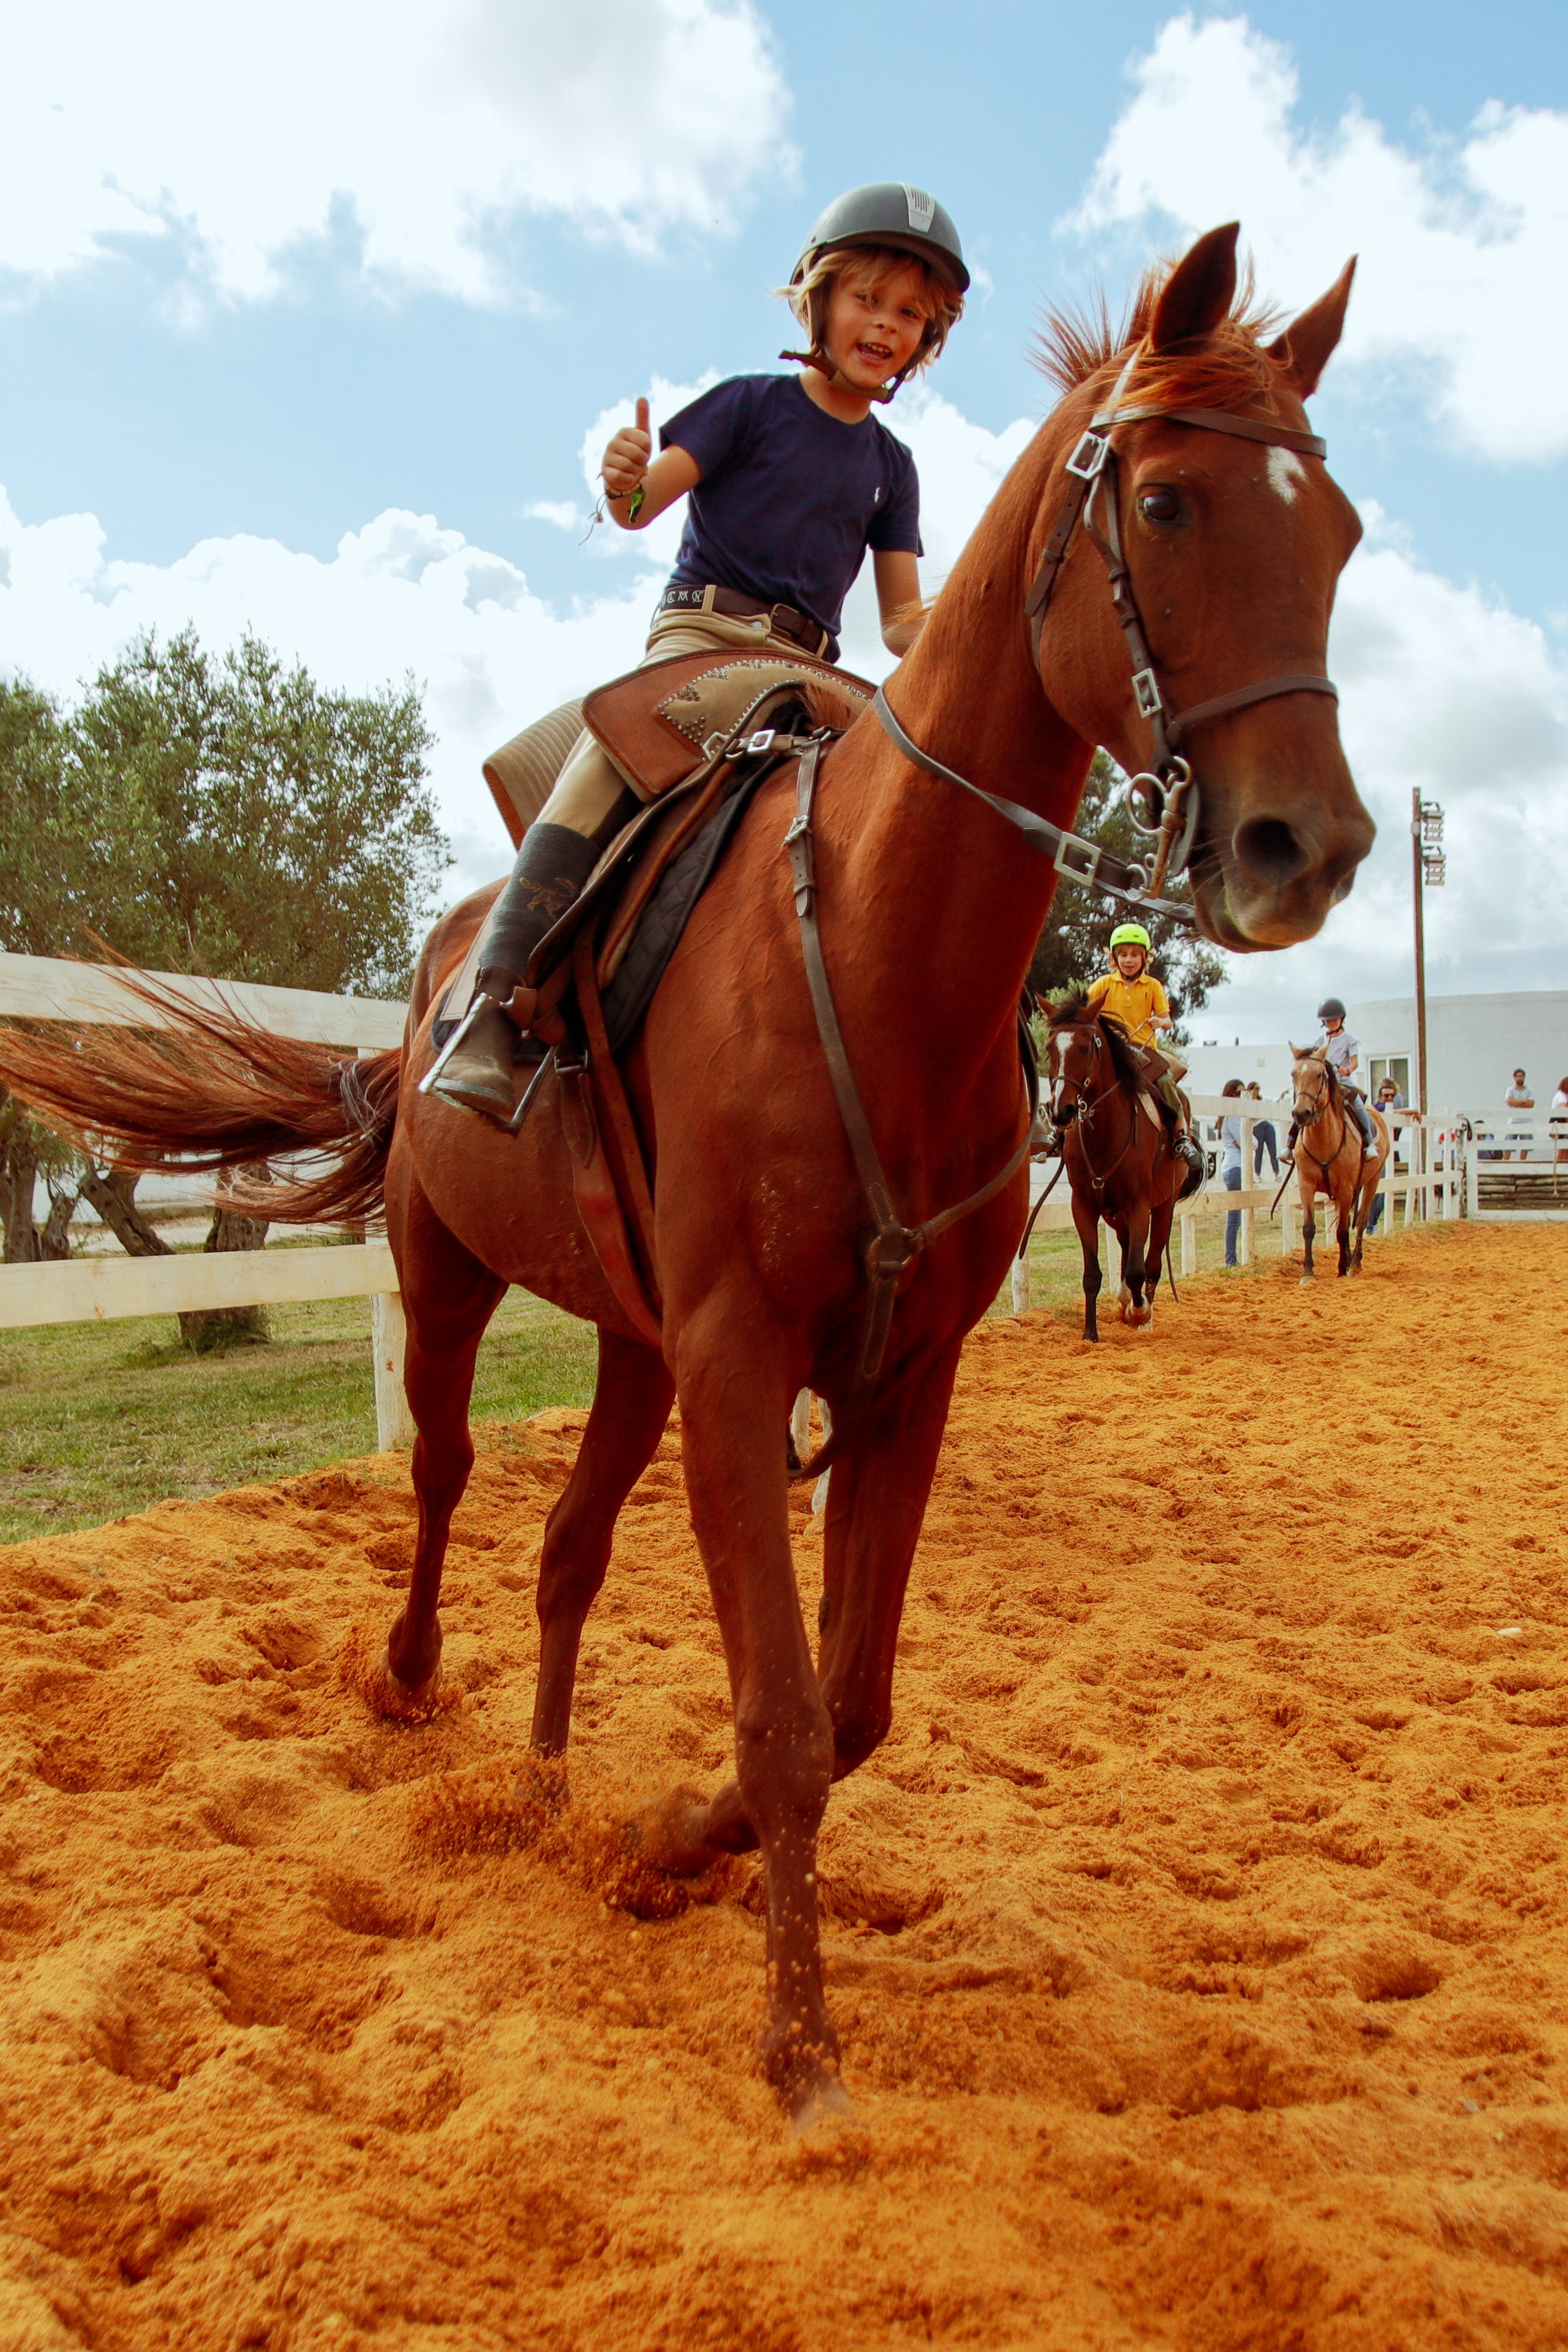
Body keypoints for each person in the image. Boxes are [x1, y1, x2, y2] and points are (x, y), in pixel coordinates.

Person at [430, 183, 969, 1121]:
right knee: (607, 761)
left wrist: (974, 616)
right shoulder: (746, 407)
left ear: (925, 341)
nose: (883, 325)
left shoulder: (893, 467)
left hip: (814, 673)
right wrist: (622, 475)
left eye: (908, 314)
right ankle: (491, 1003)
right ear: (820, 297)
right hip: (702, 640)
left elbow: (899, 623)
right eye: (867, 300)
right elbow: (638, 510)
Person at [1084, 923, 1206, 1192]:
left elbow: (1168, 1020)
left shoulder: (1153, 986)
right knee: (1081, 1079)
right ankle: (1062, 1130)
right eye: (1123, 954)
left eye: (1134, 954)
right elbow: (1086, 1013)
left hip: (1143, 1050)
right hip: (1111, 1051)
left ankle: (1181, 1136)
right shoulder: (1102, 984)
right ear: (1114, 958)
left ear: (1145, 958)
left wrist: (1159, 1022)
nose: (1129, 960)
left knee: (1164, 1081)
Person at [1286, 997, 1378, 1164]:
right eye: (1328, 1021)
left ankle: (1369, 1143)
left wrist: (1347, 1069)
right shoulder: (1319, 1041)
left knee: (1358, 1105)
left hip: (1343, 1083)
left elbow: (1355, 1062)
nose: (1331, 1023)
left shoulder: (1349, 1040)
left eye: (1334, 1020)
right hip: (1324, 1083)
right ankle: (1290, 1144)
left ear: (1341, 1019)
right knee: (1303, 1104)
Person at [1366, 1075, 1403, 1232]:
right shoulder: (1377, 1108)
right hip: (1376, 1153)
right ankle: (1370, 1224)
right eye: (1386, 1096)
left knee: (1382, 1190)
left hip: (1389, 1152)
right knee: (1377, 1189)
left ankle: (1371, 1223)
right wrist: (1412, 1111)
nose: (1389, 1099)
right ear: (1380, 1097)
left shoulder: (1393, 1111)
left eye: (1392, 1096)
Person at [1220, 1078, 1245, 1266]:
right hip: (1236, 1168)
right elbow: (1248, 1142)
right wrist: (1252, 1142)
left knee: (1236, 1218)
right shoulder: (1233, 1117)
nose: (1241, 1097)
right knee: (1234, 1218)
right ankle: (1231, 1259)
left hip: (1235, 1167)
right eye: (1238, 1093)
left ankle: (1233, 1258)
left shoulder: (1230, 1117)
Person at [1245, 1080, 1278, 1177]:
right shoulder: (1249, 1101)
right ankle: (1258, 1174)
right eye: (1256, 1088)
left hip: (1267, 1124)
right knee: (1259, 1151)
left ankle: (1277, 1173)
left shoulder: (1263, 1099)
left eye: (1258, 1088)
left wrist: (1282, 1095)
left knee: (1273, 1150)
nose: (1257, 1090)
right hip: (1258, 1126)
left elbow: (1274, 1101)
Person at [1505, 1068, 1534, 1162]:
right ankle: (1505, 1163)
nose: (1520, 1078)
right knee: (1508, 1144)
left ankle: (1522, 1163)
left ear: (1524, 1077)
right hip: (1513, 1121)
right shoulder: (1510, 1090)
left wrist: (1516, 1102)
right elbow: (1509, 1102)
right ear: (1514, 1078)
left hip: (1526, 1121)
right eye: (1518, 1076)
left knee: (1525, 1145)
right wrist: (1524, 1102)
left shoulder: (1530, 1090)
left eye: (1521, 1076)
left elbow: (1531, 1104)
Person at [1553, 1077, 1568, 1168]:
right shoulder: (1561, 1095)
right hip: (1558, 1122)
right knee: (1563, 1146)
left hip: (1564, 1123)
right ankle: (1559, 1167)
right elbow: (1564, 1109)